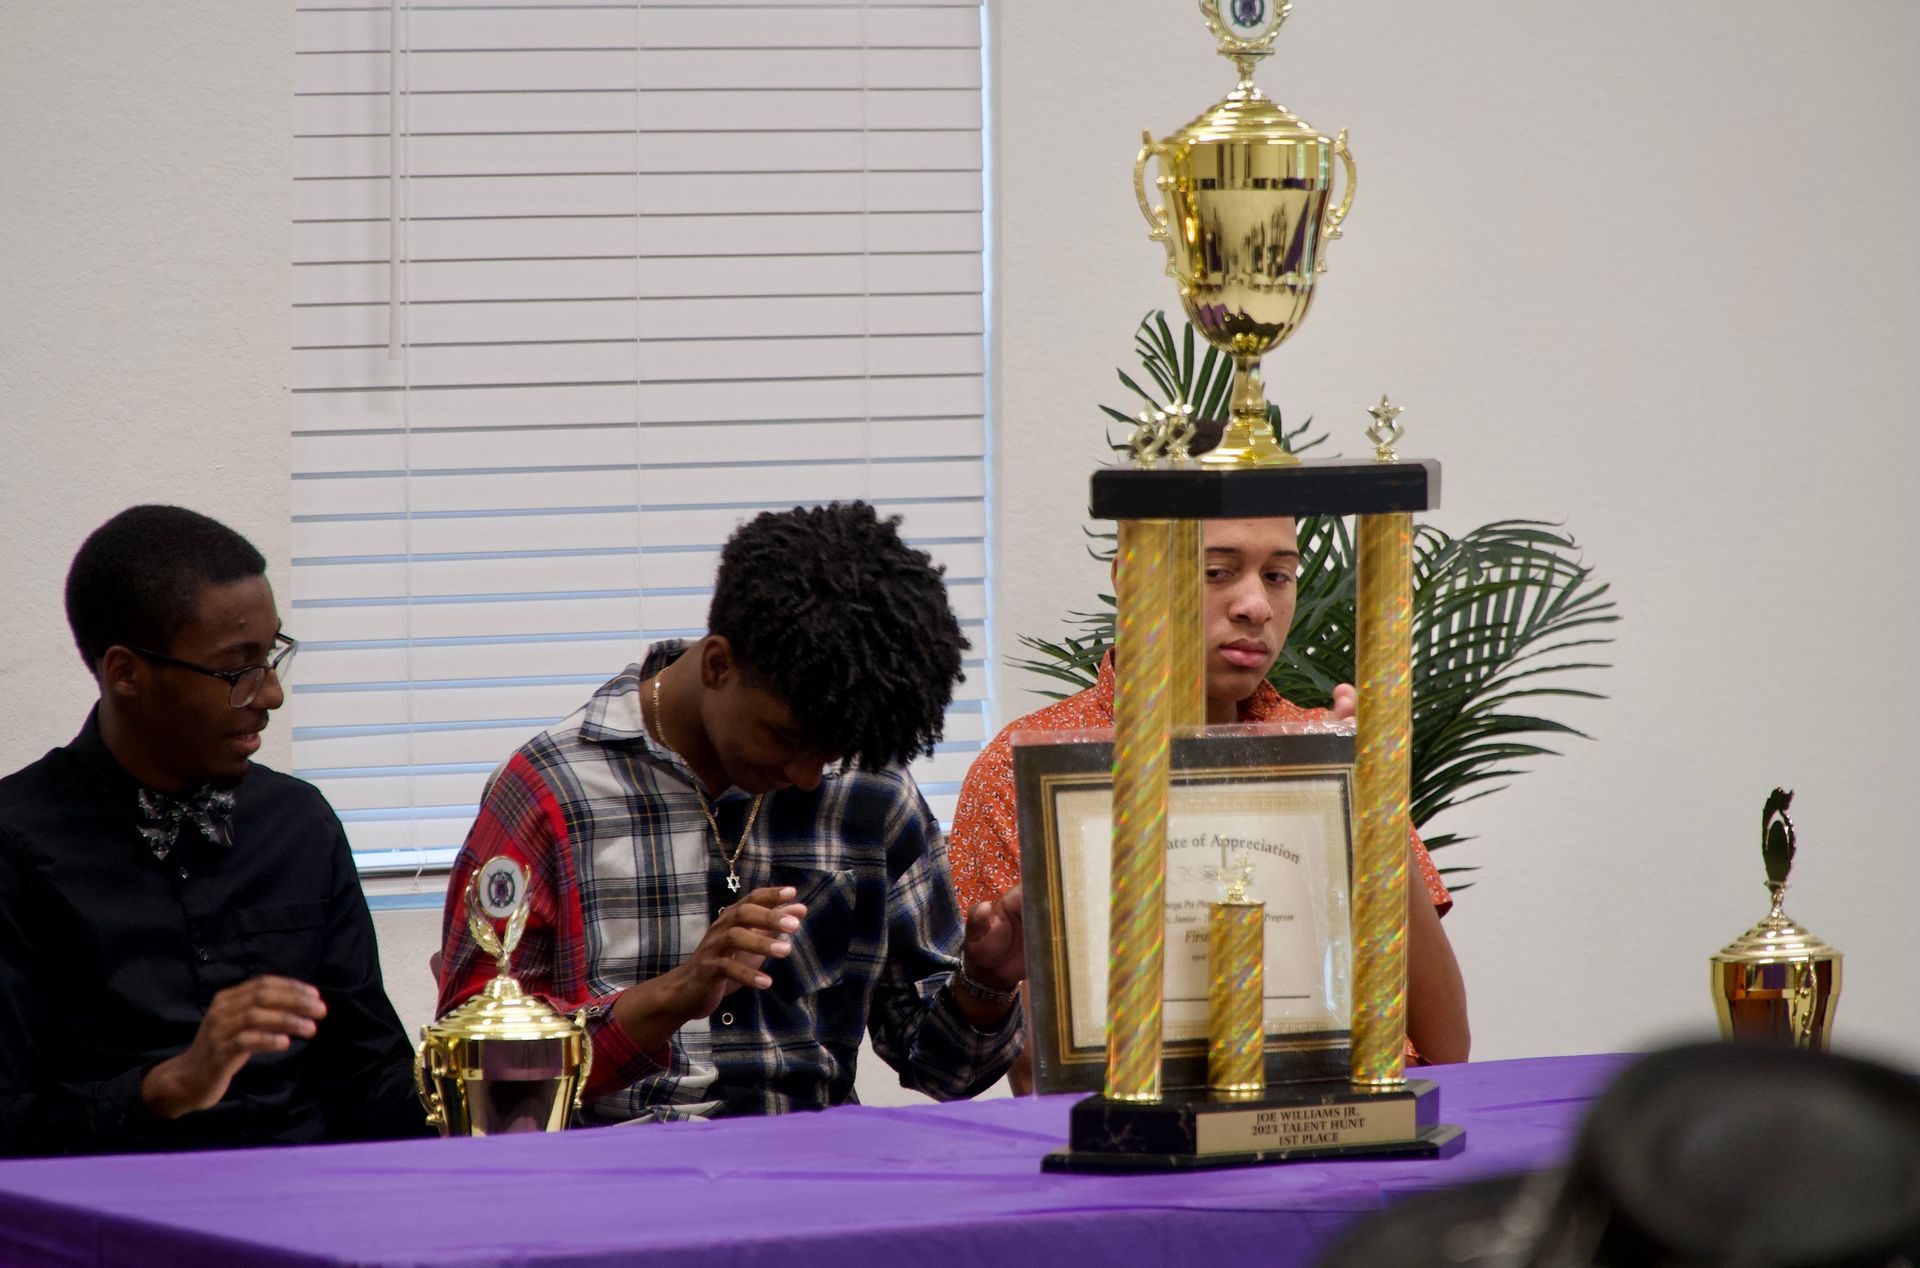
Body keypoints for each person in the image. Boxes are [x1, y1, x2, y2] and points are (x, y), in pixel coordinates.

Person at [435, 502, 1025, 1122]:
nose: (808, 776)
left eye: (830, 753)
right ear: (718, 664)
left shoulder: (872, 791)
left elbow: (944, 1070)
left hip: (816, 1167)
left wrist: (986, 983)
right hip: (618, 1170)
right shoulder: (550, 793)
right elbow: (479, 1077)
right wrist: (673, 996)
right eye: (786, 738)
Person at [947, 514, 1470, 1090]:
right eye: (1217, 572)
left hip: (1342, 1118)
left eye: (1278, 576)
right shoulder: (1025, 771)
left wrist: (1376, 799)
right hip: (1140, 1132)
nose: (1256, 607)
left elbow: (1447, 1050)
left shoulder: (1322, 750)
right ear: (1132, 578)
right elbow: (1041, 1075)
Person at [0, 506, 429, 1156]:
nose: (271, 695)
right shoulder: (17, 844)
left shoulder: (299, 824)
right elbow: (10, 1121)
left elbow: (365, 1079)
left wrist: (487, 1068)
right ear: (126, 673)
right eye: (236, 669)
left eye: (272, 655)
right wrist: (165, 1088)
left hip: (304, 1198)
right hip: (109, 1209)